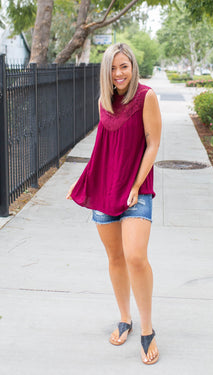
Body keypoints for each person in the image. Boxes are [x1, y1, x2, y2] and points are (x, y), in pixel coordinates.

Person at [66, 43, 162, 365]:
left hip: (136, 191)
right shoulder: (104, 102)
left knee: (136, 256)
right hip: (107, 189)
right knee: (115, 257)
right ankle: (125, 318)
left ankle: (147, 329)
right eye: (112, 67)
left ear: (133, 67)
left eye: (124, 66)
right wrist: (84, 182)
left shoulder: (146, 97)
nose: (118, 73)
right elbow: (101, 149)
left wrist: (136, 184)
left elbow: (153, 144)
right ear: (106, 71)